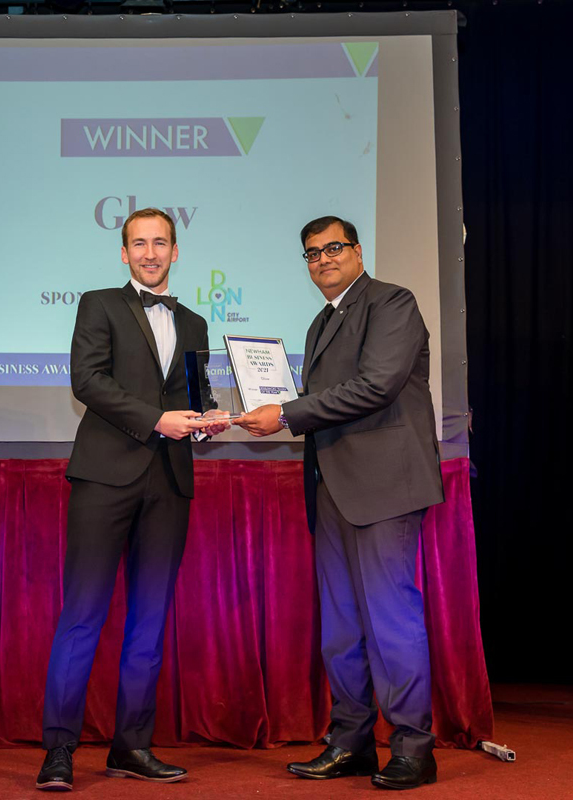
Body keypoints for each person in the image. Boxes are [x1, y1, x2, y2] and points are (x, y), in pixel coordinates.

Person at [235, 216, 444, 790]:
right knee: (342, 627)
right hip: (333, 487)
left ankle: (413, 749)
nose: (323, 259)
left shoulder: (391, 302)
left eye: (333, 248)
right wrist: (270, 408)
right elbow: (323, 399)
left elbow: (377, 385)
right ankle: (351, 743)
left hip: (385, 486)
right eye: (312, 253)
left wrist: (285, 413)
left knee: (391, 621)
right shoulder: (322, 320)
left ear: (357, 251)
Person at [37, 208, 228, 792]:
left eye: (160, 243)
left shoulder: (195, 322)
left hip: (169, 484)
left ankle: (132, 747)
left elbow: (196, 393)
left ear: (175, 251)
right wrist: (157, 420)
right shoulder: (99, 304)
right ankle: (59, 750)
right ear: (124, 253)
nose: (150, 253)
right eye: (139, 244)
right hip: (104, 478)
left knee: (149, 621)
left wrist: (208, 420)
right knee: (82, 616)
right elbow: (88, 381)